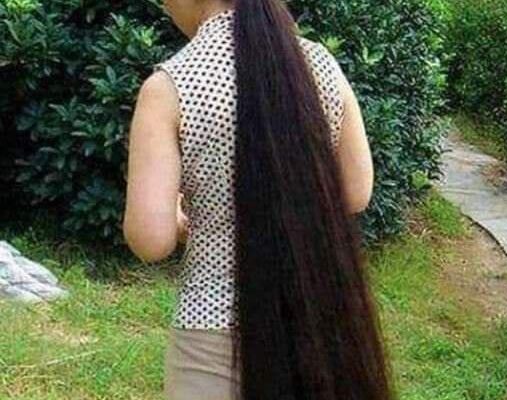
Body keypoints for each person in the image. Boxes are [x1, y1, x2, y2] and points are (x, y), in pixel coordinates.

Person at [123, 0, 397, 399]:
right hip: (317, 318)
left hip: (210, 326)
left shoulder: (169, 86)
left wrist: (184, 222)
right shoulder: (320, 64)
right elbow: (355, 192)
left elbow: (150, 240)